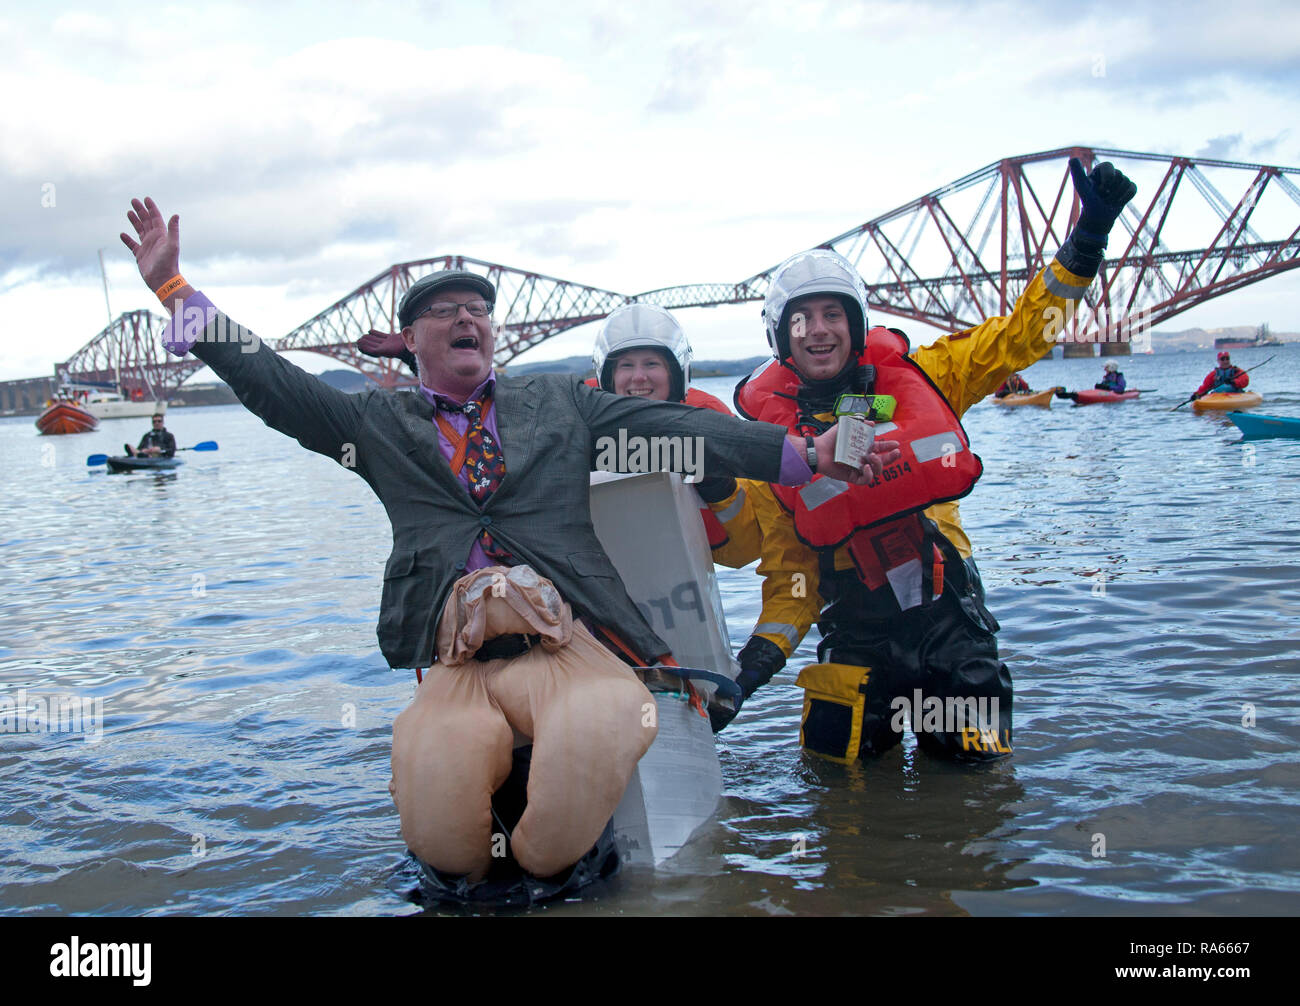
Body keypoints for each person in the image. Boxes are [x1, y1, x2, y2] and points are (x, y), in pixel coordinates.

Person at [119, 196, 897, 888]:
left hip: (565, 646)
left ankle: (553, 870)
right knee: (443, 826)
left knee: (605, 725)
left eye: (477, 311)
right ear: (412, 340)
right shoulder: (375, 426)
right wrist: (175, 291)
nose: (467, 320)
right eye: (446, 312)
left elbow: (678, 430)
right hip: (457, 659)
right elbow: (269, 381)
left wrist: (804, 456)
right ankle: (480, 867)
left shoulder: (562, 402)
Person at [725, 157, 1137, 762]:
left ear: (857, 323)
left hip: (951, 624)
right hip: (856, 636)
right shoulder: (773, 445)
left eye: (833, 314)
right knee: (838, 783)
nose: (819, 331)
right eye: (802, 319)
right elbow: (790, 575)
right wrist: (749, 671)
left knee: (979, 789)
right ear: (780, 336)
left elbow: (1026, 334)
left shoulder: (931, 376)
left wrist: (1086, 243)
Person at [590, 302, 759, 568]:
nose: (639, 377)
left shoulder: (710, 425)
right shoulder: (577, 429)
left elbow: (744, 552)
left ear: (677, 373)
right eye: (625, 365)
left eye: (651, 363)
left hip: (682, 591)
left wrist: (716, 484)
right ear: (607, 377)